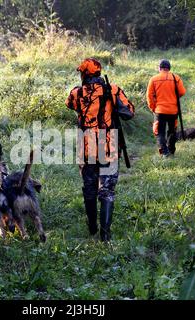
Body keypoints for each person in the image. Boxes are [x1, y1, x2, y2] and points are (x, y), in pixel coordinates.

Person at [66, 58, 135, 241]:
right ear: (98, 73)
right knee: (107, 190)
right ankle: (105, 235)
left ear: (84, 74)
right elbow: (129, 113)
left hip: (86, 147)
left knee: (89, 189)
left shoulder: (76, 93)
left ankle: (91, 227)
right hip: (108, 147)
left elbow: (70, 104)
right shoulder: (112, 90)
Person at [146, 59, 186, 157]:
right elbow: (182, 92)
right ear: (169, 68)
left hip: (160, 111)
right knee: (172, 131)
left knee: (160, 132)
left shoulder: (154, 79)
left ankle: (164, 152)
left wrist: (153, 108)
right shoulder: (176, 78)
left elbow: (149, 96)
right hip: (173, 111)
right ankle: (171, 150)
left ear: (159, 68)